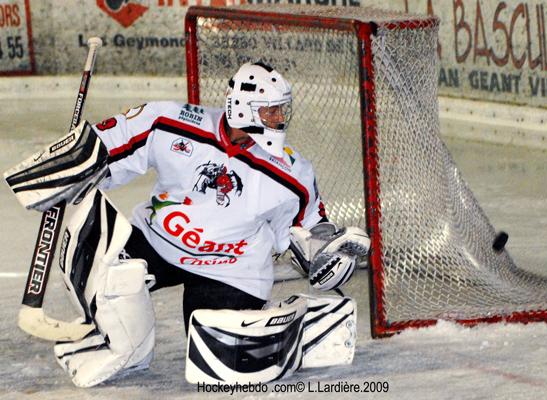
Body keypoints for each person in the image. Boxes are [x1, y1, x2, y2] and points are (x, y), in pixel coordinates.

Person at [5, 62, 370, 387]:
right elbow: (104, 145)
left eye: (280, 109)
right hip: (157, 241)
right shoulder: (171, 121)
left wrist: (326, 253)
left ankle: (294, 322)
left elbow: (310, 229)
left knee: (224, 361)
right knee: (106, 270)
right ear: (242, 107)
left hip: (230, 268)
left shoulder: (292, 171)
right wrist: (68, 167)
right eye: (270, 109)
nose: (279, 118)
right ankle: (126, 349)